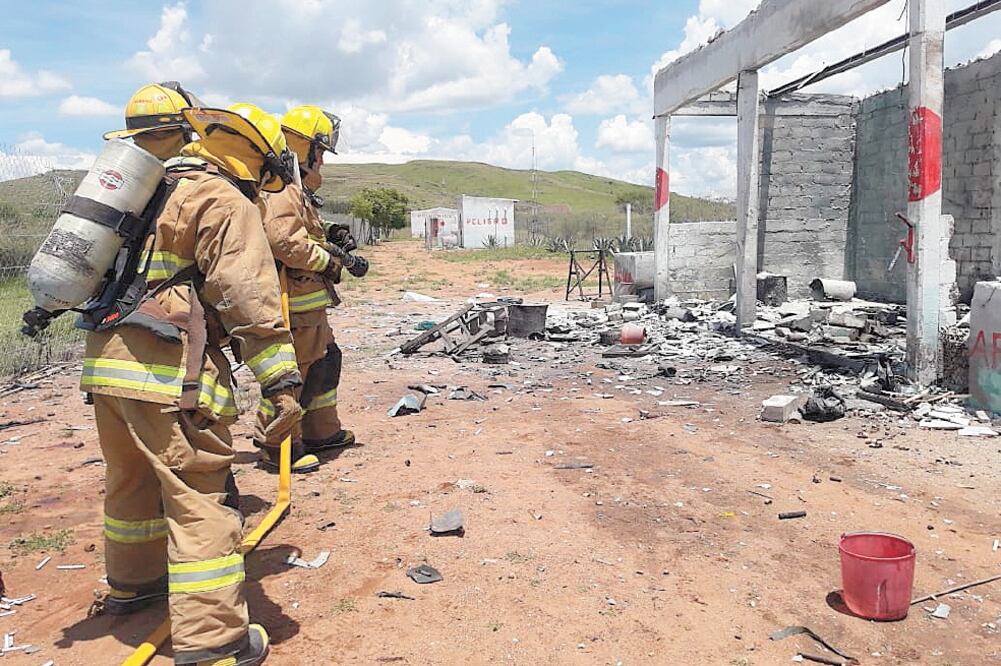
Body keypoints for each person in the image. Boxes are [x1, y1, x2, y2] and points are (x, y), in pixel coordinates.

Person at [83, 102, 302, 666]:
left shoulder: (149, 191)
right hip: (170, 371)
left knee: (131, 480)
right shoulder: (221, 200)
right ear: (256, 158)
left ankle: (135, 586)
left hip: (106, 365)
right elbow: (247, 297)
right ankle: (213, 641)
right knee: (198, 496)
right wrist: (281, 383)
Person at [251, 104, 367, 472]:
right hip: (293, 304)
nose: (323, 162)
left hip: (309, 303)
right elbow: (284, 241)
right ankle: (275, 443)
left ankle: (321, 431)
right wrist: (330, 262)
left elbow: (302, 230)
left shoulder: (294, 188)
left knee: (325, 362)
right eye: (321, 152)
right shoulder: (280, 187)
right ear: (307, 149)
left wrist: (330, 233)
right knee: (293, 374)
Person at [103, 81, 201, 160]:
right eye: (148, 135)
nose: (157, 142)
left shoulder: (125, 166)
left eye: (165, 134)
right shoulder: (201, 167)